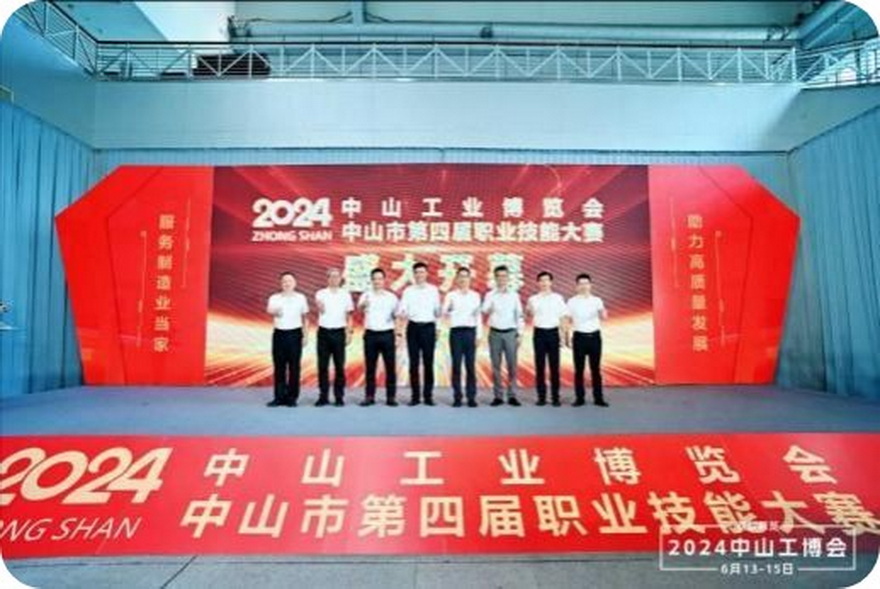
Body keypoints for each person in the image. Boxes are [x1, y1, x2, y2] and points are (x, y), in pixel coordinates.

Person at [398, 262, 441, 406]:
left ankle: (428, 396)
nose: (419, 275)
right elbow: (402, 308)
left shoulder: (433, 290)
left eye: (422, 272)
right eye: (417, 272)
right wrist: (402, 313)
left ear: (426, 274)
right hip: (413, 327)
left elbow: (438, 312)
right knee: (414, 363)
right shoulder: (408, 291)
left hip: (428, 327)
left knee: (428, 363)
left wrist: (438, 328)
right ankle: (415, 396)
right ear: (413, 274)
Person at [265, 271, 309, 407]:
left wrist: (306, 335)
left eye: (289, 281)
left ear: (295, 283)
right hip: (279, 335)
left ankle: (292, 398)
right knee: (279, 367)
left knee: (294, 367)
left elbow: (305, 318)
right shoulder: (274, 298)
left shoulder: (301, 298)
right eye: (284, 281)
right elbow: (269, 310)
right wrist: (274, 312)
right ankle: (279, 397)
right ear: (281, 283)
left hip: (295, 334)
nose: (287, 283)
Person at [482, 265, 524, 407]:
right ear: (495, 278)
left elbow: (519, 315)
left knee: (512, 365)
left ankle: (512, 395)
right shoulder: (490, 295)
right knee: (496, 366)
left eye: (504, 276)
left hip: (510, 333)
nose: (502, 279)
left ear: (508, 278)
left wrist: (520, 333)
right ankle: (498, 395)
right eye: (499, 276)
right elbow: (484, 310)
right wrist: (490, 304)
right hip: (495, 333)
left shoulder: (514, 295)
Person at [565, 273, 609, 407]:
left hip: (594, 337)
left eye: (586, 283)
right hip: (579, 338)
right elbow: (567, 320)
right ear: (576, 286)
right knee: (579, 370)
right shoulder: (571, 301)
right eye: (581, 284)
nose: (584, 286)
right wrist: (566, 337)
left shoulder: (597, 300)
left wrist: (603, 313)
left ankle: (598, 398)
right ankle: (579, 398)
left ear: (590, 285)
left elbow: (604, 316)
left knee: (595, 369)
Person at [357, 268, 400, 406]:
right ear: (371, 280)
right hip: (370, 335)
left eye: (380, 279)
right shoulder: (366, 296)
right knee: (370, 367)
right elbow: (359, 309)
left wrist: (398, 335)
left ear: (384, 280)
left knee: (390, 367)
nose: (377, 281)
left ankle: (391, 397)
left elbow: (397, 316)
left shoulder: (391, 297)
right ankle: (369, 396)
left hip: (387, 334)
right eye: (375, 279)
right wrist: (363, 306)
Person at [526, 271, 568, 407]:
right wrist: (528, 311)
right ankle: (541, 397)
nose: (544, 283)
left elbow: (563, 317)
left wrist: (564, 336)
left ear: (551, 282)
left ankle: (555, 397)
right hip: (539, 333)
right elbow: (528, 315)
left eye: (547, 280)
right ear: (538, 283)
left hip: (553, 333)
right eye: (541, 280)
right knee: (540, 366)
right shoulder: (533, 299)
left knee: (554, 366)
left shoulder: (558, 298)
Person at [442, 267, 481, 407]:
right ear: (456, 279)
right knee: (456, 365)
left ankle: (471, 397)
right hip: (456, 333)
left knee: (470, 366)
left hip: (470, 332)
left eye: (466, 276)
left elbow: (478, 316)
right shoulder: (451, 295)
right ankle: (457, 397)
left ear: (469, 279)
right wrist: (450, 310)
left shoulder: (475, 296)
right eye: (460, 276)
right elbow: (443, 312)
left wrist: (479, 335)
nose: (463, 279)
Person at [314, 268, 354, 407]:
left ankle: (339, 396)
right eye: (331, 276)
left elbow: (349, 315)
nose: (334, 279)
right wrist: (320, 307)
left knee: (339, 366)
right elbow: (321, 310)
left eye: (337, 276)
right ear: (327, 278)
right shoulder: (320, 293)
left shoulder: (345, 294)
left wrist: (349, 332)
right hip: (323, 333)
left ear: (340, 278)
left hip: (339, 332)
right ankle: (323, 396)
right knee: (322, 366)